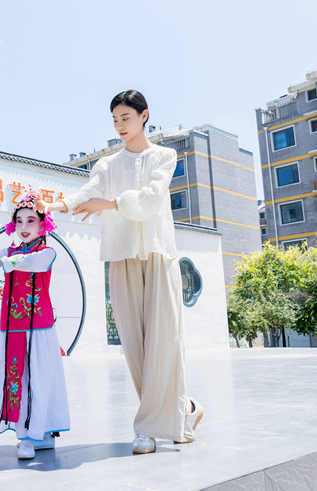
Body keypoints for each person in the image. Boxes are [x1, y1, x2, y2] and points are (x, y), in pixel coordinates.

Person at [35, 90, 203, 454]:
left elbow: (150, 200)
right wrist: (55, 205)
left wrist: (109, 203)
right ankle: (183, 411)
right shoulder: (108, 164)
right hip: (122, 256)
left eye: (126, 118)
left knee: (164, 343)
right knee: (135, 347)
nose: (120, 126)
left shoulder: (164, 156)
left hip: (159, 255)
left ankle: (148, 428)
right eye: (115, 120)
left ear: (144, 116)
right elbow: (87, 192)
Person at [0, 188, 70, 460]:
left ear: (43, 224)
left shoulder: (48, 252)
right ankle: (26, 436)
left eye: (30, 220)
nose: (23, 227)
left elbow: (31, 262)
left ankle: (40, 435)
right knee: (18, 378)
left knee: (40, 379)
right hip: (14, 328)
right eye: (19, 221)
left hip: (40, 329)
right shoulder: (10, 251)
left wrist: (5, 262)